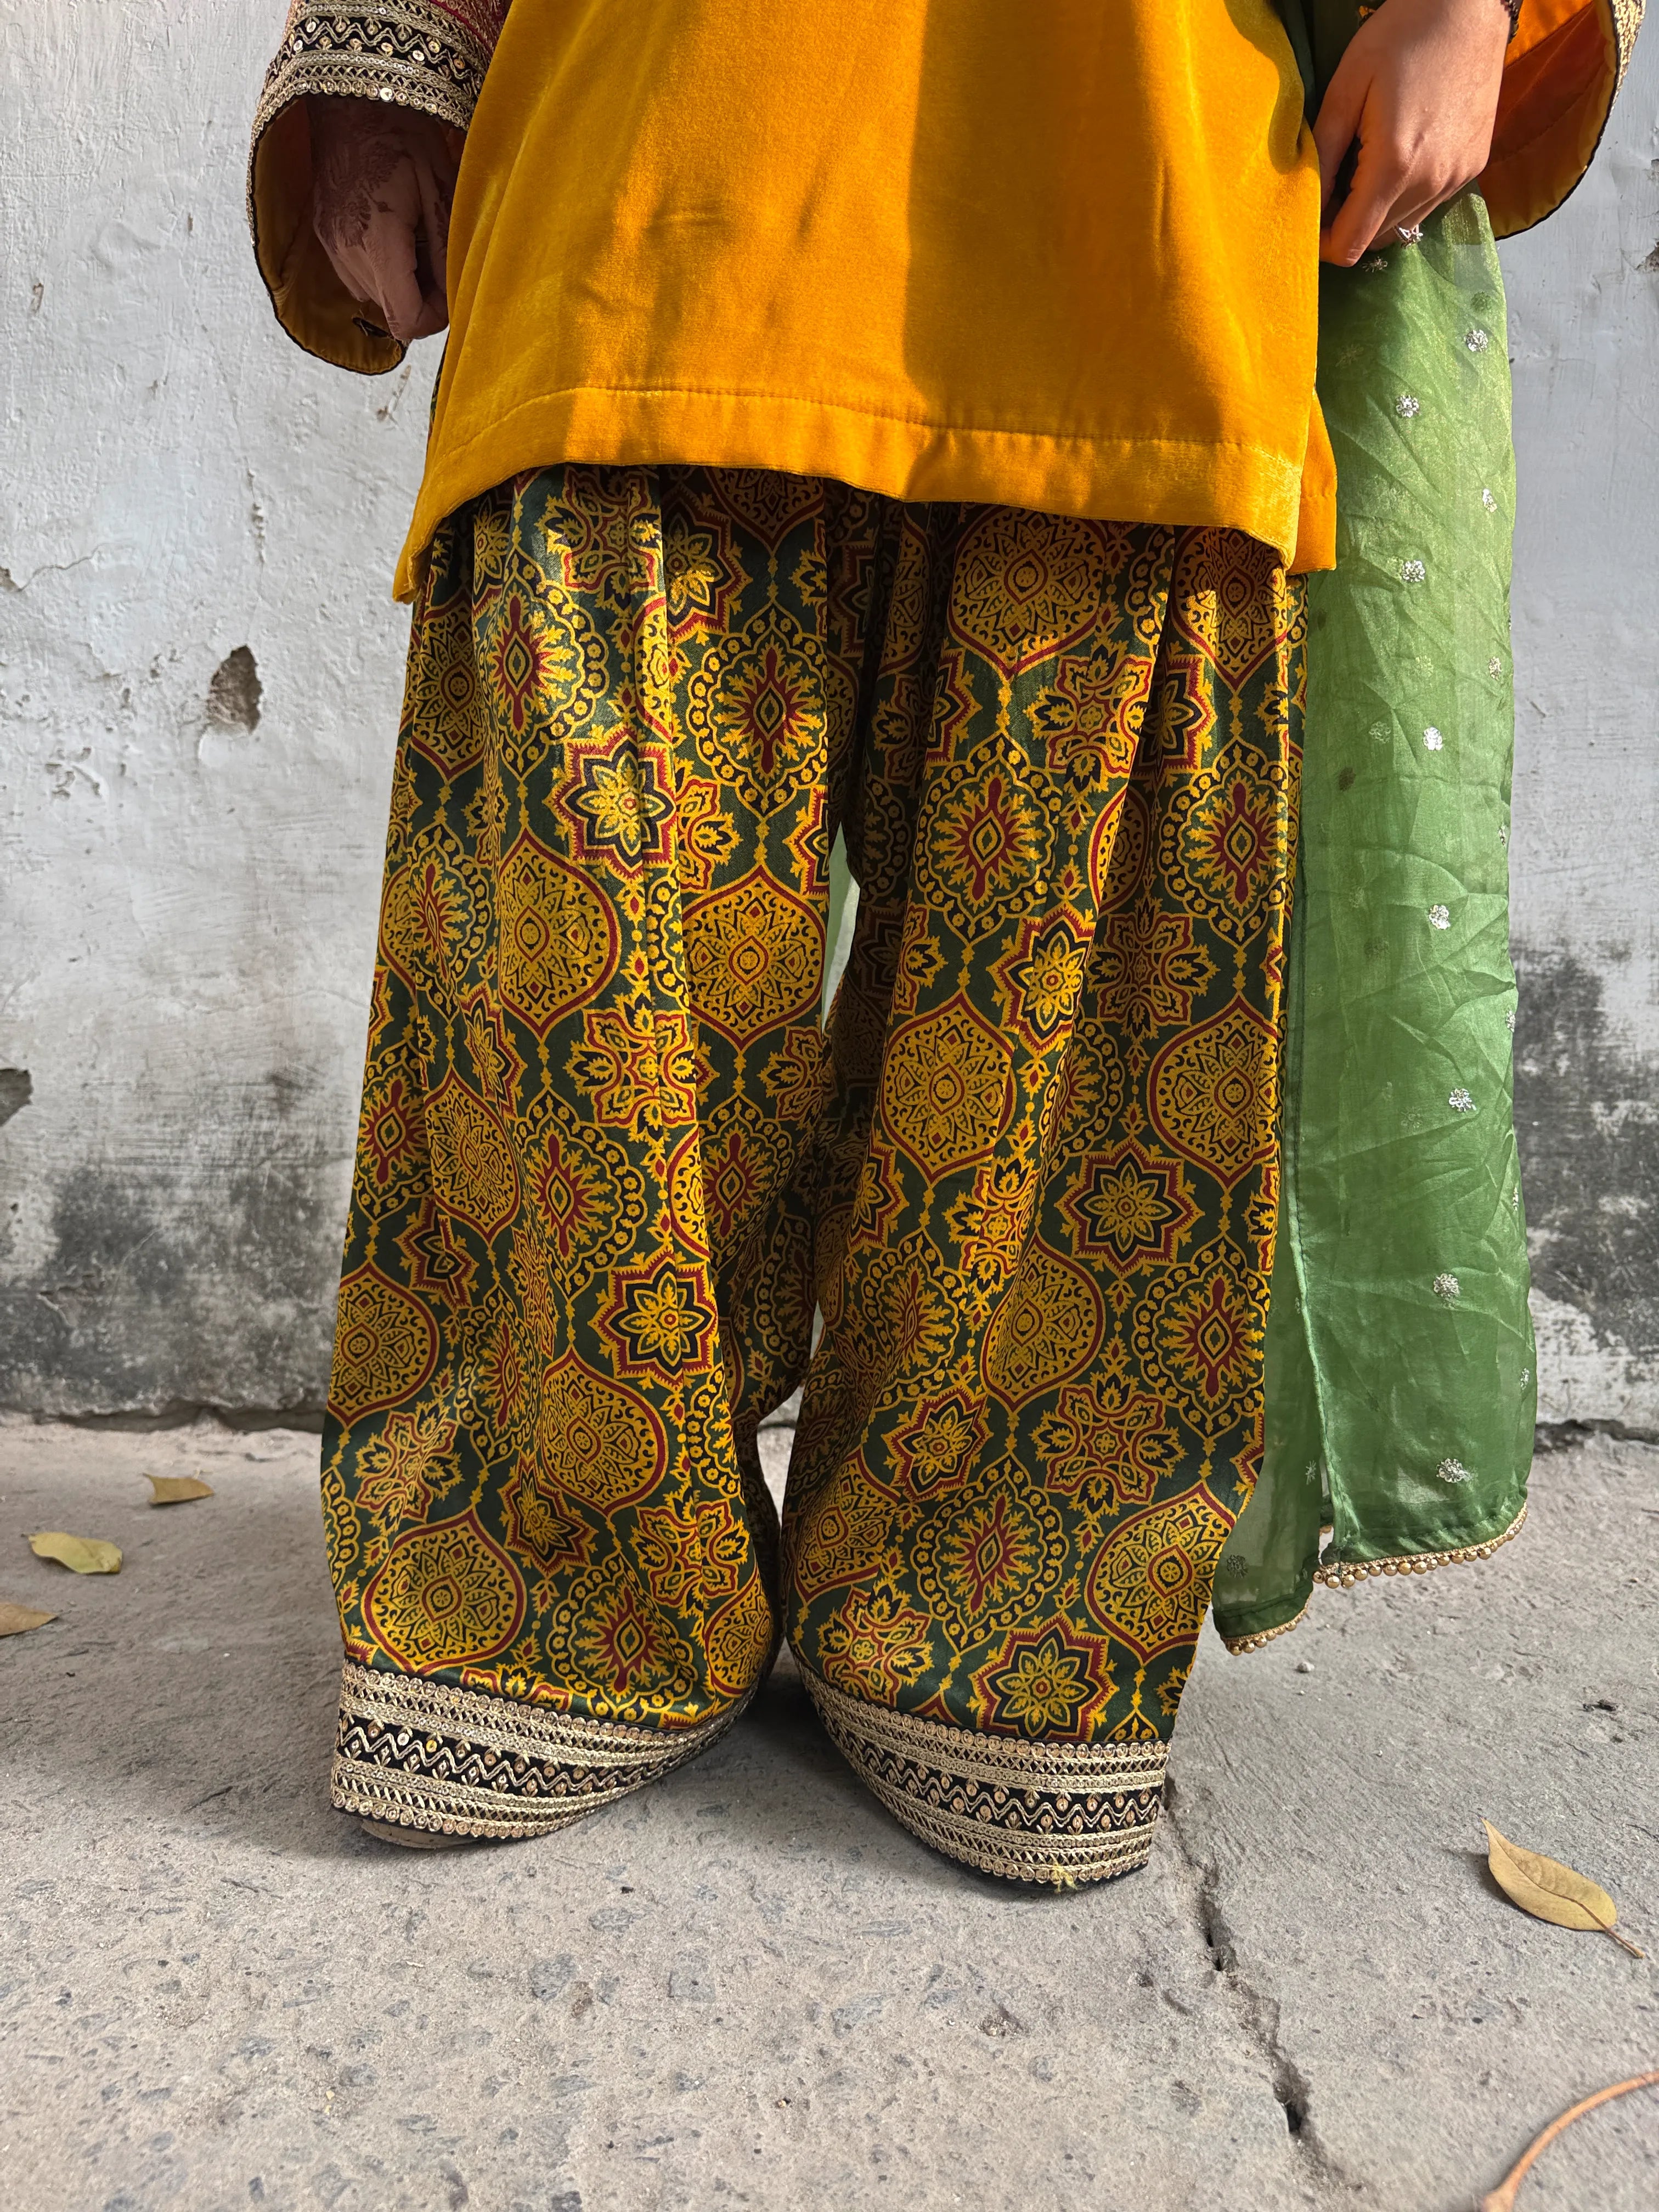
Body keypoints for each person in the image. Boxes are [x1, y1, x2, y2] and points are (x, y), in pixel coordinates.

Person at [247, 0, 1638, 1880]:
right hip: (655, 137)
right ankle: (551, 1594)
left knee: (1062, 1015)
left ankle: (989, 1616)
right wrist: (388, 50)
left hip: (1131, 156)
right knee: (584, 938)